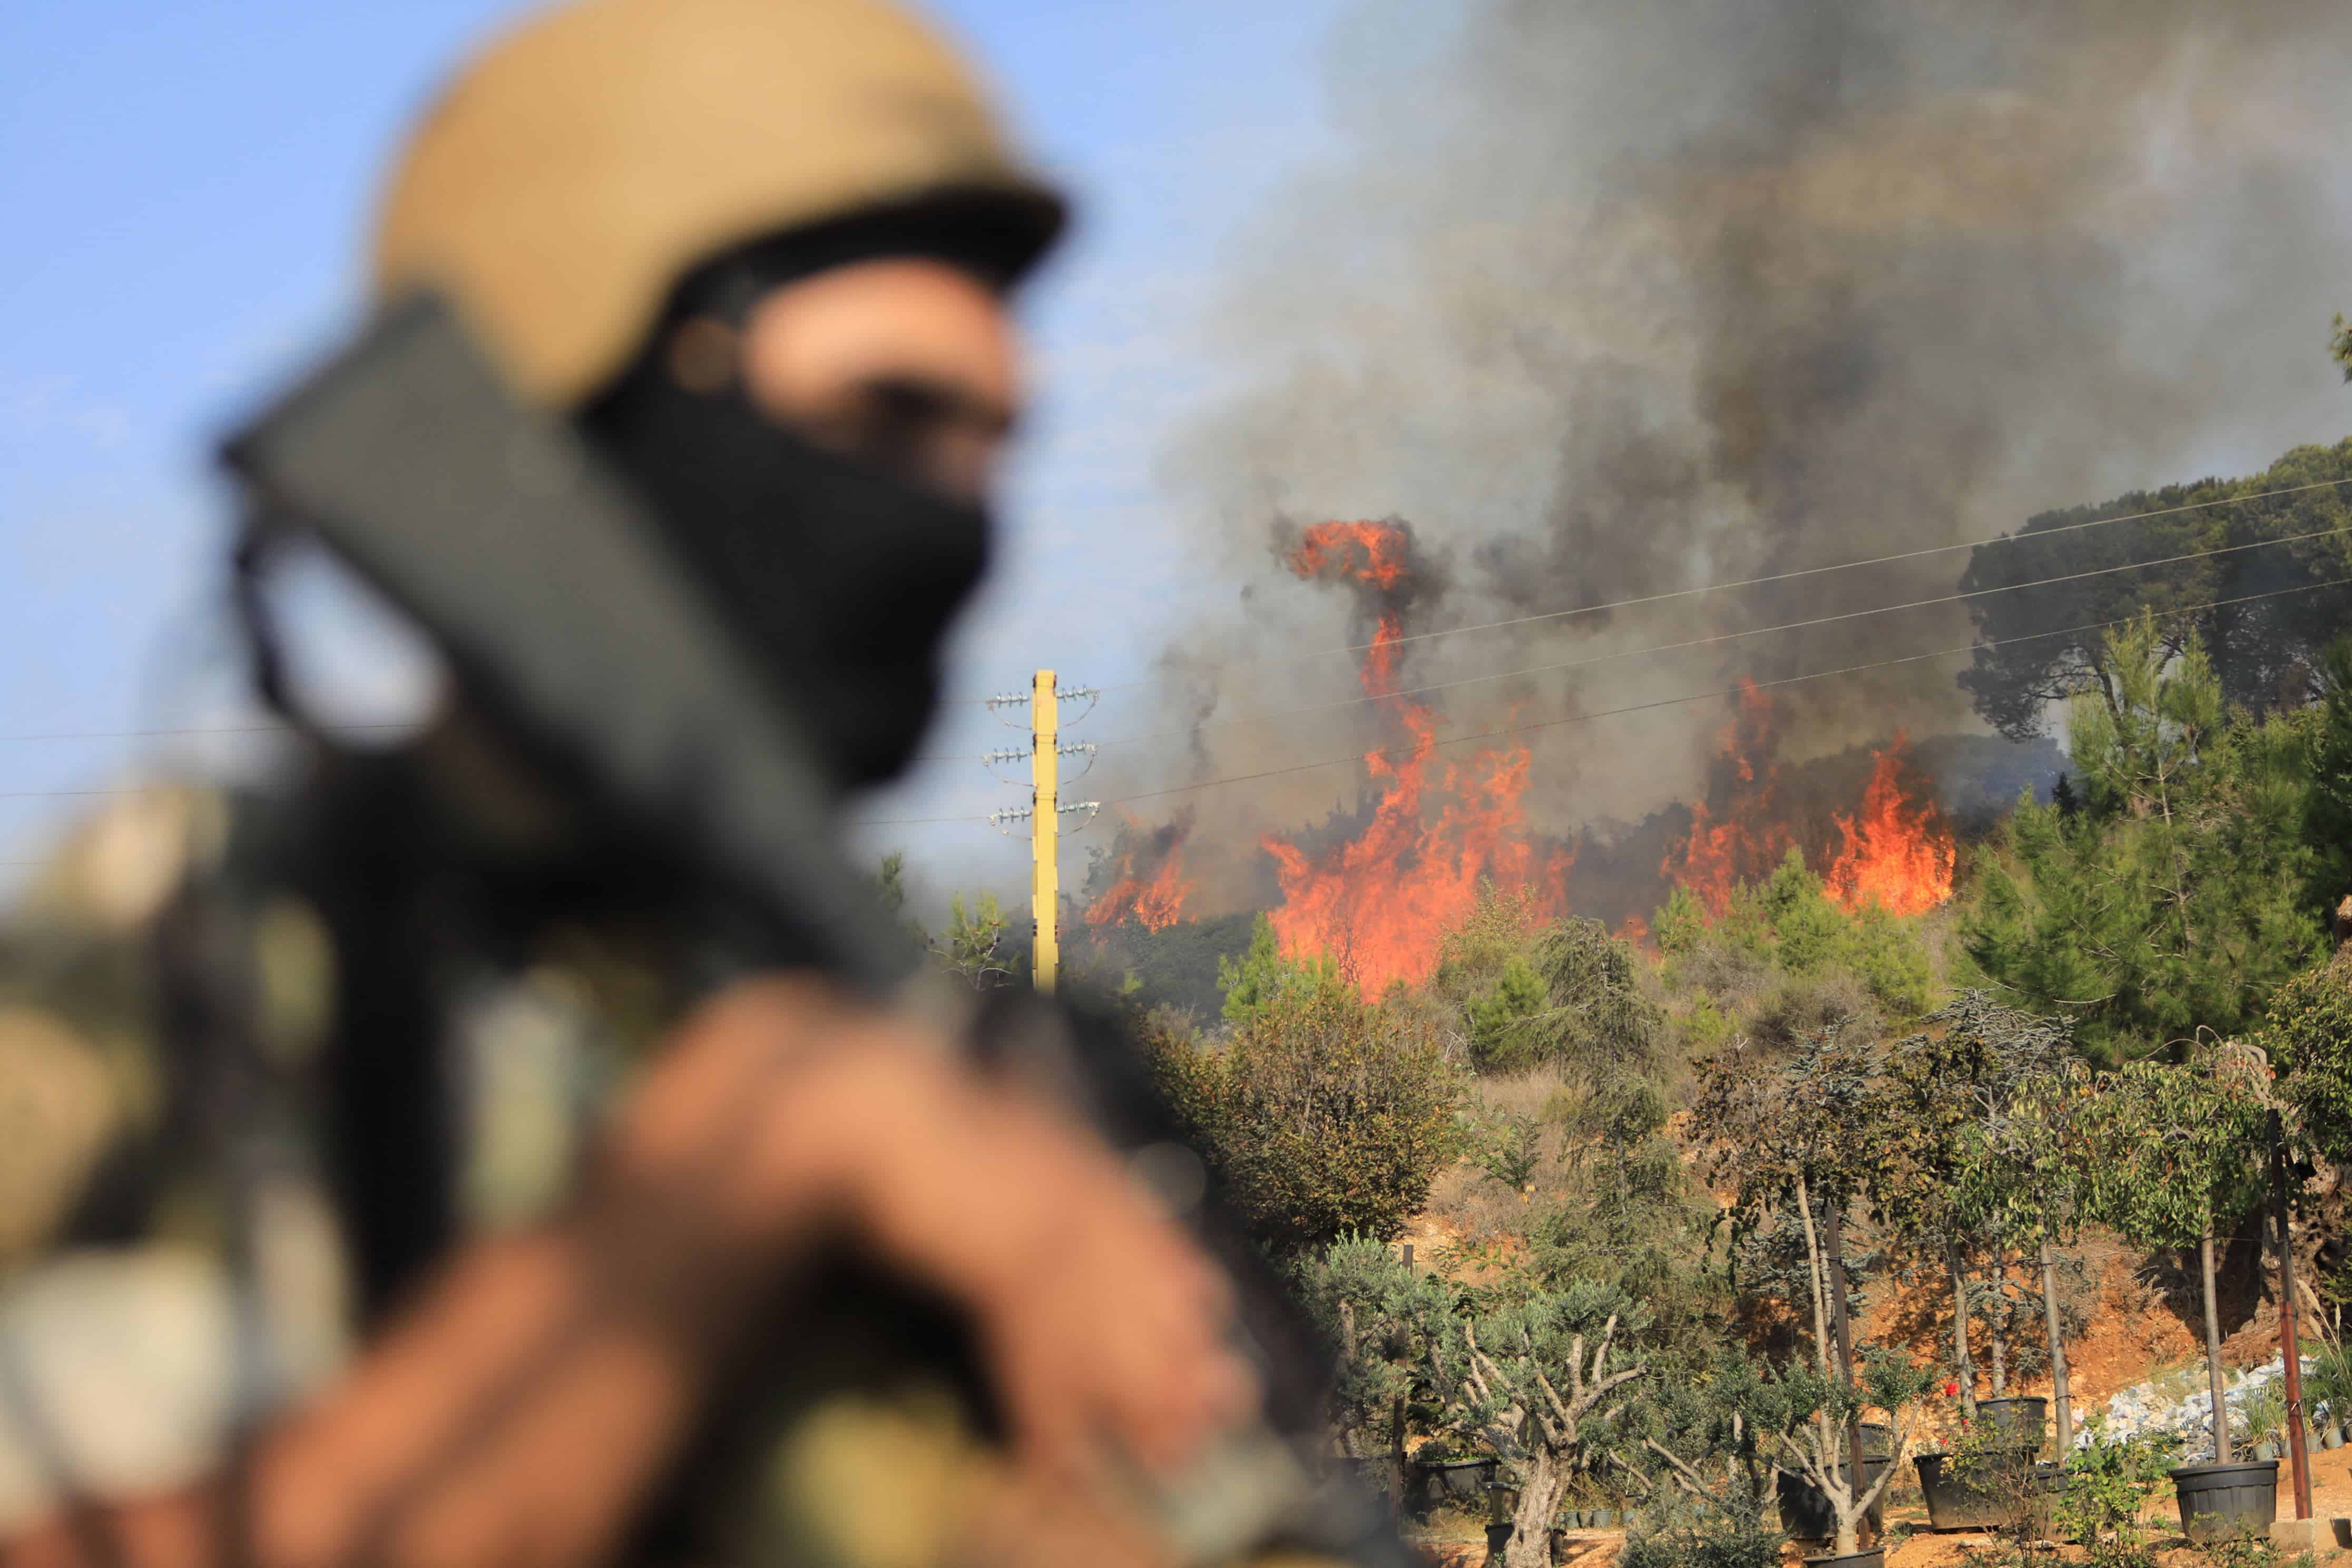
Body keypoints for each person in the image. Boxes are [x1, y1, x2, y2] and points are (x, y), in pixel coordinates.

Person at [0, 2, 1279, 1565]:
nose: (956, 523)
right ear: (578, 389)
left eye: (990, 443)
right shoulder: (204, 941)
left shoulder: (972, 1077)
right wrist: (744, 1169)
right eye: (882, 420)